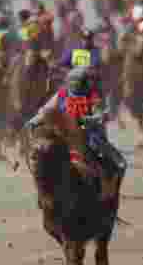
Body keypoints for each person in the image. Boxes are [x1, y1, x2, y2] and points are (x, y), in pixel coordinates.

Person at [26, 66, 126, 199]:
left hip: (88, 134)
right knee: (39, 154)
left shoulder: (93, 96)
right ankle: (43, 189)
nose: (77, 85)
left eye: (80, 82)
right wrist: (33, 121)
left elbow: (100, 114)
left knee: (118, 162)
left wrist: (89, 119)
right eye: (76, 82)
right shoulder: (62, 94)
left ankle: (106, 189)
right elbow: (46, 110)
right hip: (63, 133)